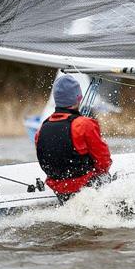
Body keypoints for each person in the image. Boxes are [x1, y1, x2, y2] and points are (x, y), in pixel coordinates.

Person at [35, 74, 112, 203]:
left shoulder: (41, 129)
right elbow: (104, 163)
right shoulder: (85, 124)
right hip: (85, 189)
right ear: (79, 97)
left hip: (57, 190)